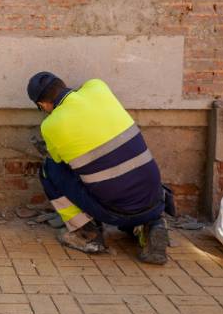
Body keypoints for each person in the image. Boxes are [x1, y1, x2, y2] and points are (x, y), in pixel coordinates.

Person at [27, 72, 175, 264]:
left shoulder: (50, 125)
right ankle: (151, 224)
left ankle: (86, 234)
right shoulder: (98, 87)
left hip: (115, 212)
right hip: (155, 199)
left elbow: (58, 160)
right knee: (128, 176)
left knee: (49, 169)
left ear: (43, 104)